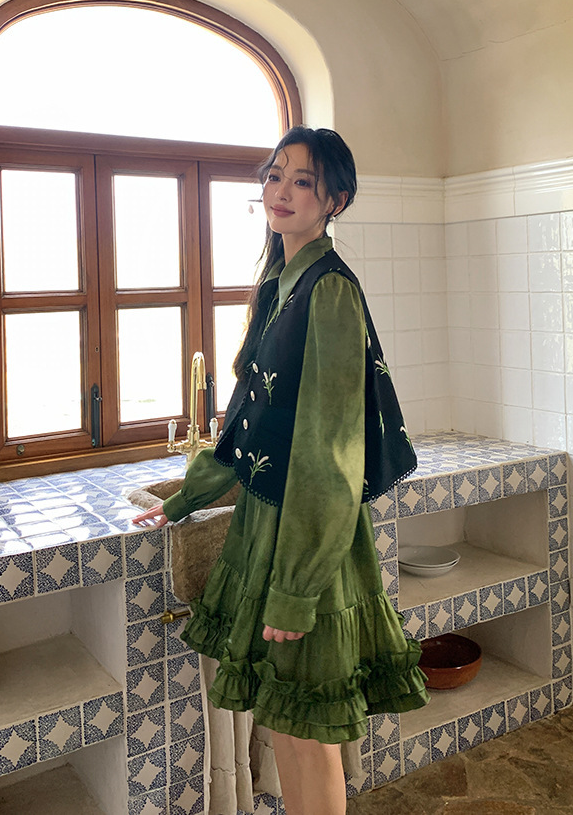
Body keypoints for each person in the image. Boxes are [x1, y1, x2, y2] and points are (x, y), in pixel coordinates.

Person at [133, 126, 429, 815]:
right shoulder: (280, 282)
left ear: (335, 201)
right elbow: (249, 419)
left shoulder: (329, 290)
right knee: (286, 720)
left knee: (305, 730)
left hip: (306, 534)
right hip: (269, 521)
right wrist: (184, 499)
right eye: (274, 176)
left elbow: (330, 448)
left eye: (302, 181)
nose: (282, 191)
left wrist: (296, 588)